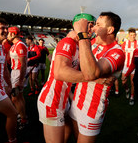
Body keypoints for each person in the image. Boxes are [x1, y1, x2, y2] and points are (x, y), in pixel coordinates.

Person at [37, 13, 97, 143]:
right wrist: (93, 78)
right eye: (90, 26)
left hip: (63, 100)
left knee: (68, 129)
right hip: (52, 101)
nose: (92, 30)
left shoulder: (78, 45)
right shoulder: (68, 42)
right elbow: (59, 73)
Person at [68, 12, 125, 143]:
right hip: (77, 101)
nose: (93, 28)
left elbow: (90, 73)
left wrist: (82, 35)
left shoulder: (117, 52)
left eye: (98, 25)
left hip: (92, 108)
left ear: (110, 30)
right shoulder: (91, 42)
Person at [8, 26, 28, 130]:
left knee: (15, 98)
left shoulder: (20, 45)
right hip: (14, 72)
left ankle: (23, 119)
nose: (7, 35)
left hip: (18, 73)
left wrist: (20, 80)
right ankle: (23, 115)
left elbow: (23, 64)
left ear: (13, 34)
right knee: (19, 97)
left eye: (8, 33)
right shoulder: (14, 45)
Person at [121, 28, 138, 105]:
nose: (132, 37)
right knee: (123, 82)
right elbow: (121, 55)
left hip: (134, 67)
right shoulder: (124, 44)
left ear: (135, 35)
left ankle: (132, 97)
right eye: (131, 35)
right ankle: (127, 90)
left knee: (133, 83)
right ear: (128, 35)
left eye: (134, 35)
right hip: (126, 66)